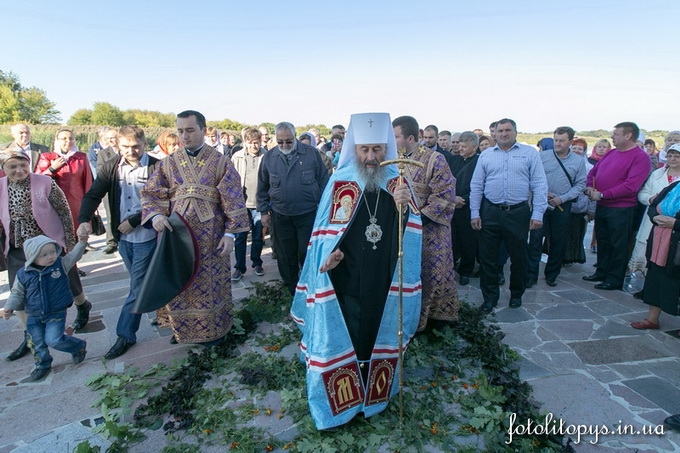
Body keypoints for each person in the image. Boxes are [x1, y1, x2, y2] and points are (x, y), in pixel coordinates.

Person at [290, 112, 421, 430]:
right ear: (354, 148)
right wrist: (329, 255)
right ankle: (345, 398)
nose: (372, 157)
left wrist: (405, 206)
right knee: (349, 330)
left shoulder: (398, 183)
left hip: (382, 277)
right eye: (365, 150)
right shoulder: (340, 181)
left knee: (376, 330)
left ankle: (375, 392)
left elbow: (411, 237)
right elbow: (325, 233)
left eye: (377, 149)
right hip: (344, 278)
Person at [141, 110, 250, 345]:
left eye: (190, 130)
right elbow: (151, 193)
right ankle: (182, 330)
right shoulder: (168, 163)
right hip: (176, 236)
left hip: (211, 237)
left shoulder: (221, 162)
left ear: (203, 130)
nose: (184, 135)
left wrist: (230, 233)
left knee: (209, 285)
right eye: (180, 131)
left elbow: (233, 198)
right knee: (180, 282)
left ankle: (213, 331)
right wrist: (156, 216)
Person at [78, 126, 160, 359]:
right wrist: (84, 219)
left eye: (136, 146)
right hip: (124, 239)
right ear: (118, 146)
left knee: (138, 287)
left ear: (144, 144)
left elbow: (164, 200)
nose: (131, 151)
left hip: (148, 235)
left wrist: (135, 219)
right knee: (142, 282)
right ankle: (169, 316)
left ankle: (125, 334)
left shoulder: (156, 167)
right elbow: (94, 194)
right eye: (125, 147)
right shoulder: (110, 167)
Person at [0, 151, 91, 361]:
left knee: (67, 278)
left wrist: (69, 241)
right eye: (13, 166)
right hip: (18, 246)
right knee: (19, 287)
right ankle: (29, 335)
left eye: (23, 165)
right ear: (4, 168)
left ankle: (82, 304)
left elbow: (64, 210)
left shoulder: (44, 182)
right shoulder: (1, 187)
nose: (19, 170)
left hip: (47, 243)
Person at [470, 118, 548, 312]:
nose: (504, 133)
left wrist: (538, 213)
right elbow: (476, 185)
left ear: (515, 132)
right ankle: (489, 298)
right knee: (488, 259)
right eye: (500, 130)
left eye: (508, 130)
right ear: (494, 133)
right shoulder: (486, 155)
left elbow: (539, 184)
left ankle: (516, 295)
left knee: (519, 257)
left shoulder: (529, 154)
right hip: (490, 212)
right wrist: (474, 212)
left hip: (518, 213)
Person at [393, 115, 457, 330]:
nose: (392, 142)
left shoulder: (435, 159)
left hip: (430, 230)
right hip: (401, 229)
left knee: (432, 274)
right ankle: (407, 320)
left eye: (396, 137)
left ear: (410, 137)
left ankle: (433, 322)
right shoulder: (393, 161)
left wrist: (417, 221)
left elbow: (444, 194)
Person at [3, 233, 89, 381]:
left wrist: (81, 243)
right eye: (44, 255)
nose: (50, 257)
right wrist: (9, 307)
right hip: (34, 314)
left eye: (52, 252)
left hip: (56, 312)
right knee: (36, 342)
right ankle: (42, 365)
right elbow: (17, 293)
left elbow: (74, 256)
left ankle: (77, 346)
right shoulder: (23, 274)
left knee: (54, 339)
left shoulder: (60, 265)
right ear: (32, 257)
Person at [256, 122, 329, 295]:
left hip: (308, 214)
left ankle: (309, 287)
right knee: (285, 255)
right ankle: (291, 290)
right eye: (280, 142)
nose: (284, 146)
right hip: (281, 215)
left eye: (288, 141)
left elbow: (324, 182)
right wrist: (263, 212)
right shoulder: (269, 158)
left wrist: (324, 210)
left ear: (295, 137)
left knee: (306, 252)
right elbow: (262, 186)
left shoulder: (311, 154)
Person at [583, 122, 652, 290]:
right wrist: (590, 187)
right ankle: (601, 271)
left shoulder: (640, 157)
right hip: (603, 205)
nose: (612, 136)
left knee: (618, 244)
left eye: (616, 134)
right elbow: (593, 172)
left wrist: (603, 194)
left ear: (628, 135)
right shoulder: (611, 153)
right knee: (604, 241)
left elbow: (631, 185)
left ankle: (614, 279)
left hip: (621, 208)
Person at [527, 127, 586, 287]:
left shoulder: (578, 161)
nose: (558, 143)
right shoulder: (542, 156)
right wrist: (542, 192)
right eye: (556, 140)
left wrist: (562, 198)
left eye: (562, 141)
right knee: (535, 240)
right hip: (541, 204)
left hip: (562, 206)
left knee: (558, 241)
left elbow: (580, 184)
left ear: (570, 142)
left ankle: (552, 274)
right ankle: (531, 275)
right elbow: (531, 177)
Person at [35, 129, 95, 262]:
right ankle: (59, 264)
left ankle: (73, 265)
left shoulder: (81, 157)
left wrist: (90, 205)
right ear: (56, 140)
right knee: (57, 235)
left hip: (77, 202)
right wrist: (51, 169)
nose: (68, 141)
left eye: (71, 138)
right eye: (64, 138)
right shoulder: (47, 157)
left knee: (76, 236)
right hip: (54, 204)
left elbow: (88, 182)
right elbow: (37, 180)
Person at [629, 180, 680, 331]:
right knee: (656, 277)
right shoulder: (674, 186)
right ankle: (652, 319)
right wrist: (655, 217)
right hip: (660, 242)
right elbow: (653, 205)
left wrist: (676, 224)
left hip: (676, 245)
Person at [628, 143, 680, 275]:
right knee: (648, 250)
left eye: (677, 156)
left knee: (667, 255)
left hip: (673, 224)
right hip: (652, 218)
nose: (673, 159)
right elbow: (642, 193)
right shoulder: (657, 174)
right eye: (670, 155)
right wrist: (651, 199)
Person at [230, 127, 265, 281]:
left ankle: (257, 263)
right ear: (245, 142)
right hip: (242, 203)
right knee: (240, 237)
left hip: (259, 203)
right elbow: (230, 179)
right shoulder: (237, 157)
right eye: (250, 143)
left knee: (258, 236)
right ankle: (239, 267)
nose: (253, 146)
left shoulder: (267, 156)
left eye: (256, 143)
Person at [450, 131, 480, 285]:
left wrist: (465, 199)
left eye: (463, 146)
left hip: (469, 208)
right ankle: (451, 268)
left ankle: (465, 271)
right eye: (459, 145)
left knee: (468, 241)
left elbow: (481, 186)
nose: (459, 149)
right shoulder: (454, 161)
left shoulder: (480, 162)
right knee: (452, 240)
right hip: (452, 206)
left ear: (474, 147)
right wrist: (452, 198)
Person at [562, 138, 592, 266]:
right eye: (574, 148)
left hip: (580, 205)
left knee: (575, 232)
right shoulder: (563, 163)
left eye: (580, 149)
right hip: (563, 203)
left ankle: (571, 256)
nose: (577, 151)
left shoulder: (589, 167)